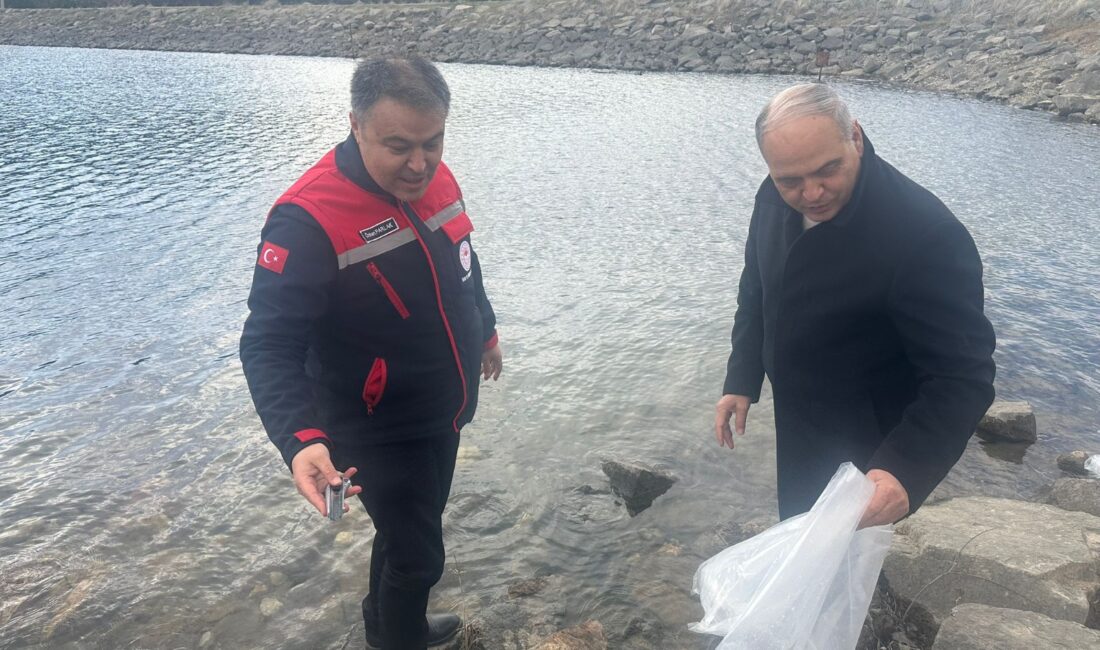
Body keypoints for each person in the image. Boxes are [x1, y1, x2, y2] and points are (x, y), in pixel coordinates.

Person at [240, 57, 502, 649]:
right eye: (399, 146)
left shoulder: (437, 179)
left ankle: (393, 625)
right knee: (418, 556)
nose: (419, 164)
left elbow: (464, 264)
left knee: (412, 534)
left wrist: (485, 329)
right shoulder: (306, 220)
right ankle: (397, 636)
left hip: (444, 403)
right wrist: (300, 439)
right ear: (355, 125)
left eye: (432, 143)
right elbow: (267, 345)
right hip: (374, 423)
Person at [714, 83, 995, 526]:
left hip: (870, 445)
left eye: (828, 169)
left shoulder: (925, 235)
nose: (812, 193)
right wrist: (743, 376)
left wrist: (905, 470)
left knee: (847, 567)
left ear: (856, 138)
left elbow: (962, 376)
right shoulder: (772, 196)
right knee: (802, 540)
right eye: (790, 179)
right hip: (799, 421)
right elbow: (757, 288)